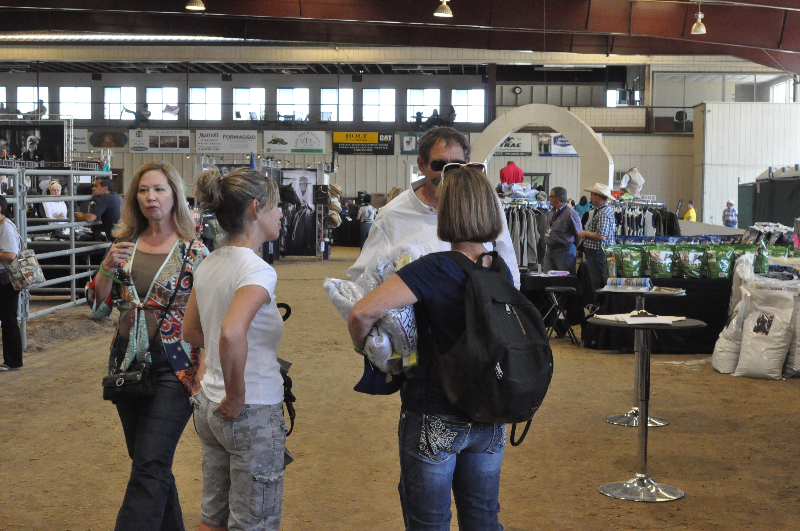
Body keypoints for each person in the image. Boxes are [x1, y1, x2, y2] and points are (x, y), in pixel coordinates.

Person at [349, 165, 510, 530]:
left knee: (429, 522)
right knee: (483, 518)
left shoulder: (433, 268)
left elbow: (361, 312)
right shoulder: (498, 268)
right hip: (490, 412)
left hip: (435, 410)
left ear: (446, 213)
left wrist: (371, 351)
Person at [85, 161, 208, 530]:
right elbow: (98, 307)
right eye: (143, 190)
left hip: (177, 364)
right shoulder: (123, 246)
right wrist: (106, 267)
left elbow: (209, 315)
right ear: (134, 198)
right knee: (147, 462)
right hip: (126, 363)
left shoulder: (194, 252)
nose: (151, 197)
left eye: (159, 189)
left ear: (174, 196)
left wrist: (204, 366)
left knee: (151, 461)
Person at [182, 168, 288, 531]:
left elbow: (191, 330)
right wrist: (237, 394)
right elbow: (231, 333)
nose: (281, 214)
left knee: (213, 516)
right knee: (253, 522)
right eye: (276, 206)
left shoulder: (210, 262)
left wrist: (212, 370)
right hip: (250, 408)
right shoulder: (257, 271)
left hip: (209, 405)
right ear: (256, 209)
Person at [347, 126, 520, 289]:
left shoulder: (485, 204)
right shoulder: (392, 215)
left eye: (456, 165)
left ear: (467, 164)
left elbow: (506, 257)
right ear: (421, 164)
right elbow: (362, 278)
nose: (448, 173)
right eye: (439, 165)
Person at [577, 183, 616, 298]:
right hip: (598, 253)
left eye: (592, 195)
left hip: (598, 253)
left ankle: (599, 305)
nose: (590, 197)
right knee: (598, 282)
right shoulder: (602, 211)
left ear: (598, 196)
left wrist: (584, 233)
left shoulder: (602, 213)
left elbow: (601, 235)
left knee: (597, 283)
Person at [0, 195, 23, 372]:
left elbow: (10, 254)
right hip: (4, 279)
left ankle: (13, 361)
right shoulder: (4, 226)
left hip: (6, 280)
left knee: (8, 320)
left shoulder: (5, 228)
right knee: (8, 320)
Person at [543, 186, 582, 274]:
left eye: (550, 197)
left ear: (557, 199)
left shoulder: (571, 213)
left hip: (564, 251)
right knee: (547, 277)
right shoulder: (552, 212)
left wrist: (572, 247)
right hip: (549, 250)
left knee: (565, 278)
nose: (549, 199)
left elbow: (579, 234)